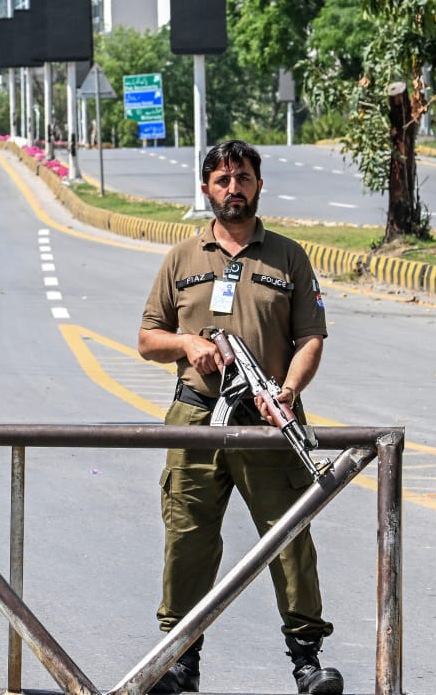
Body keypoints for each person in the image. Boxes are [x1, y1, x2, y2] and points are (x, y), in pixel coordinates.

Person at [136, 139, 342, 695]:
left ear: (258, 184)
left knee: (288, 534)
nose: (234, 188)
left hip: (268, 420)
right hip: (197, 414)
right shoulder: (182, 258)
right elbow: (146, 339)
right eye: (223, 179)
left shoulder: (288, 256)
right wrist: (186, 345)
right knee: (187, 536)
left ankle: (307, 660)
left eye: (243, 177)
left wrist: (288, 392)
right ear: (206, 187)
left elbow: (311, 338)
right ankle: (179, 659)